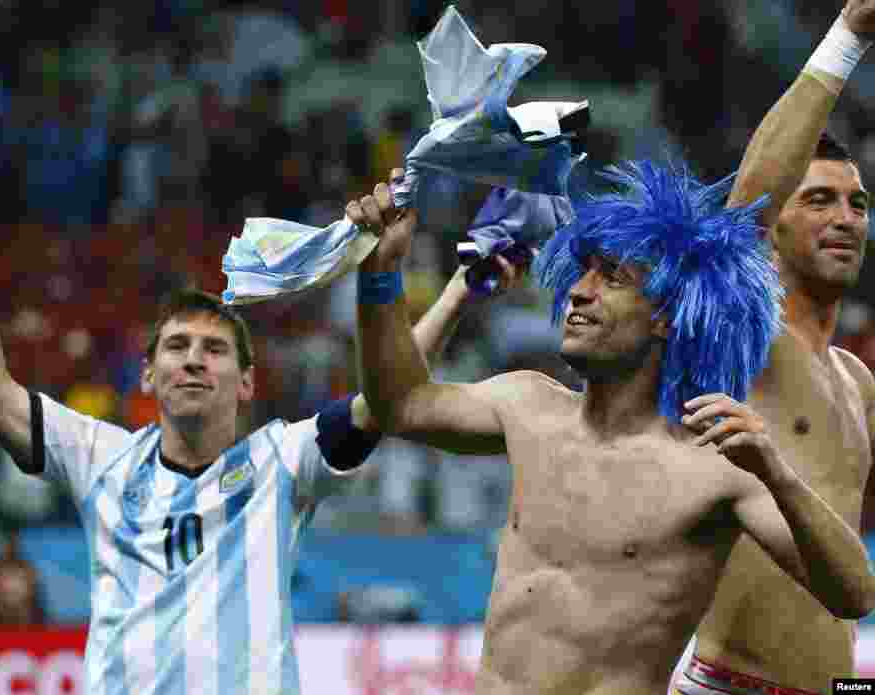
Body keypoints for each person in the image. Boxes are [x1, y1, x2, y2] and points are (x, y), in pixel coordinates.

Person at [0, 159, 523, 695]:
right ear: (146, 376)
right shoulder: (99, 457)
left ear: (247, 383)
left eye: (215, 349)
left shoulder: (281, 461)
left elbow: (389, 395)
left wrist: (460, 289)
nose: (194, 358)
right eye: (177, 346)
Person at [347, 164, 875, 695]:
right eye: (583, 272)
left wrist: (779, 475)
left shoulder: (713, 469)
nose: (578, 291)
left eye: (612, 276)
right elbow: (401, 405)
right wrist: (380, 273)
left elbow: (853, 595)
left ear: (666, 316)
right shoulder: (527, 405)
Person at [671, 2, 875, 692]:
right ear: (775, 230)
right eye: (818, 200)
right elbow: (745, 207)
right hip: (736, 682)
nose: (845, 218)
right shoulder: (748, 339)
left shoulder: (856, 377)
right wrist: (850, 35)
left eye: (858, 204)